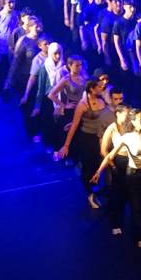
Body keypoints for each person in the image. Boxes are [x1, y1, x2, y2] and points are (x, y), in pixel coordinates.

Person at [92, 110, 141, 248]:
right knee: (136, 206)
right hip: (134, 175)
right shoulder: (126, 138)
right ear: (133, 122)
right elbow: (110, 155)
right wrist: (99, 171)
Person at [56, 68, 112, 208]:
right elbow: (75, 125)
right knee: (90, 167)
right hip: (88, 140)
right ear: (92, 89)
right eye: (99, 86)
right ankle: (90, 194)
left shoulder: (102, 100)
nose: (102, 87)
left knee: (104, 165)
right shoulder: (83, 104)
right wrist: (66, 145)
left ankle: (104, 190)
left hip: (102, 137)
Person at [99, 94, 133, 236]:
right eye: (126, 114)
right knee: (118, 194)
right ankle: (116, 223)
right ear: (118, 114)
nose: (128, 116)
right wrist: (112, 165)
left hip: (131, 162)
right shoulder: (112, 128)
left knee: (134, 192)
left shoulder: (131, 126)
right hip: (117, 162)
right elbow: (103, 150)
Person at [47, 53, 86, 152]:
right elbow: (51, 94)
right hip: (72, 109)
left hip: (84, 107)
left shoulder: (84, 77)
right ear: (70, 65)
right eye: (77, 65)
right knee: (71, 133)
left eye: (81, 65)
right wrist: (63, 105)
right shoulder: (66, 79)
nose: (80, 68)